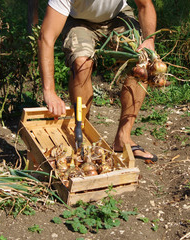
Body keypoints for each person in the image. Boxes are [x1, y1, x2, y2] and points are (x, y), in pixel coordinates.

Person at [38, 0, 158, 162]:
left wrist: (149, 40)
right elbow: (46, 37)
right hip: (79, 21)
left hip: (118, 16)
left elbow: (145, 5)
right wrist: (49, 91)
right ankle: (81, 134)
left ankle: (123, 138)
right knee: (82, 63)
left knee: (141, 63)